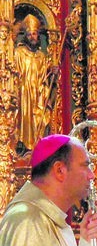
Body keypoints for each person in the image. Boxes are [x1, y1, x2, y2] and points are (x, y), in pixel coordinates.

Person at [13, 14, 55, 153]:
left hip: (37, 94)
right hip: (23, 93)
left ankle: (38, 145)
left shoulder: (41, 56)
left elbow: (46, 75)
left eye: (35, 34)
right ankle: (23, 146)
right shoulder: (18, 53)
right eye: (29, 34)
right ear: (25, 36)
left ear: (38, 36)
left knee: (39, 118)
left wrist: (53, 70)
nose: (32, 37)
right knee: (23, 118)